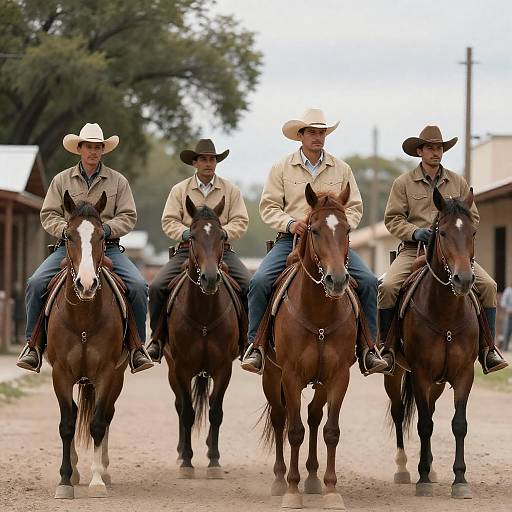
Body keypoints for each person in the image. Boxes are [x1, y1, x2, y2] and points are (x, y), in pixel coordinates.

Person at [241, 108, 386, 375]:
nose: (318, 137)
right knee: (260, 282)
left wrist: (340, 228)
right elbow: (269, 206)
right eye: (312, 132)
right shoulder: (281, 168)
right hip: (291, 239)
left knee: (367, 282)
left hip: (331, 241)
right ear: (301, 136)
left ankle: (369, 348)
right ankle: (256, 345)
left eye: (321, 132)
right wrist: (289, 223)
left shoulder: (341, 169)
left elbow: (354, 206)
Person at [17, 123, 153, 373]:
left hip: (107, 247)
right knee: (35, 283)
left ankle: (137, 347)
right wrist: (69, 232)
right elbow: (48, 214)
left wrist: (105, 231)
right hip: (69, 247)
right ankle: (33, 345)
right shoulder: (61, 180)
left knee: (137, 285)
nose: (93, 151)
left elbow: (128, 215)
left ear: (103, 150)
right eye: (88, 146)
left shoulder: (117, 181)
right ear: (79, 149)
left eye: (97, 147)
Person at [378, 125, 508, 373]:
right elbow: (392, 219)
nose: (435, 152)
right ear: (420, 151)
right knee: (387, 287)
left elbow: (474, 218)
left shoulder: (458, 182)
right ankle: (387, 347)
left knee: (489, 286)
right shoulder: (403, 183)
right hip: (413, 249)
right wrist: (415, 232)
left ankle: (488, 349)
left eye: (439, 148)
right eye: (430, 148)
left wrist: (455, 234)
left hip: (452, 252)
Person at [146, 139, 251, 361]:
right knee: (156, 287)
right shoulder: (179, 190)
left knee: (250, 286)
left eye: (212, 159)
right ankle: (156, 340)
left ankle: (247, 341)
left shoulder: (230, 190)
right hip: (187, 250)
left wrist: (224, 233)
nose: (208, 163)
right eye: (203, 159)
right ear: (194, 162)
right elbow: (169, 220)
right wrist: (185, 233)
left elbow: (241, 220)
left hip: (221, 250)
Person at [500, 282, 512, 352]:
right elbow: (503, 302)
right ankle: (505, 349)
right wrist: (507, 310)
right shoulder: (508, 291)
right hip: (509, 314)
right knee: (506, 331)